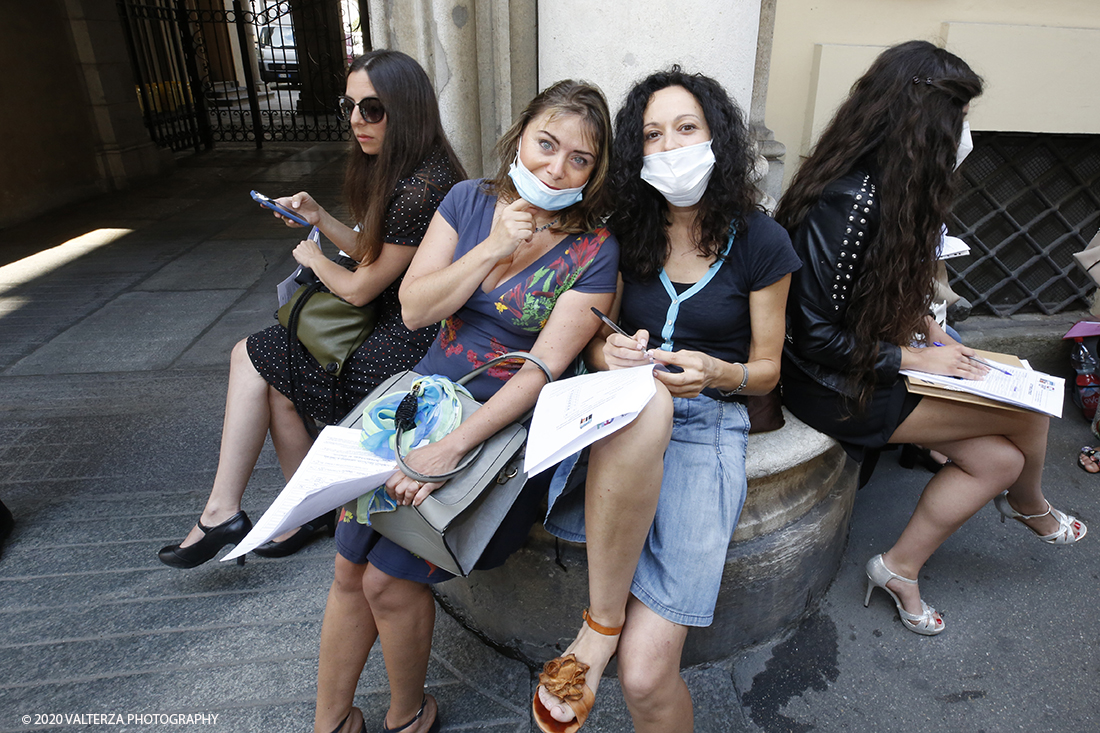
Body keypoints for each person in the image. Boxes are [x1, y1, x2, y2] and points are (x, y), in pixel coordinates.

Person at [311, 80, 620, 733]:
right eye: (546, 143)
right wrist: (492, 247)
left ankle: (407, 716)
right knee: (347, 565)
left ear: (593, 173)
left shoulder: (595, 250)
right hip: (417, 404)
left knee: (387, 581)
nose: (555, 166)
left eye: (578, 158)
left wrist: (452, 448)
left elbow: (543, 369)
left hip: (496, 434)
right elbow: (416, 307)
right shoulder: (467, 201)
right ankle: (330, 722)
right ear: (521, 134)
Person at [776, 40, 1087, 637]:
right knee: (1029, 415)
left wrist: (933, 330)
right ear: (923, 121)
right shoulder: (847, 202)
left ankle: (898, 568)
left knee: (997, 459)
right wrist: (919, 358)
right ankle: (1031, 507)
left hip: (873, 361)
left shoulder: (891, 185)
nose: (965, 133)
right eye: (959, 117)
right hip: (832, 384)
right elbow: (813, 337)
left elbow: (890, 282)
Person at [535, 67, 800, 733]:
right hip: (624, 420)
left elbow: (768, 370)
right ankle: (599, 626)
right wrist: (610, 353)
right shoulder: (626, 233)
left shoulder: (761, 241)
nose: (671, 146)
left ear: (718, 139)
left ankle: (600, 633)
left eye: (686, 128)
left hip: (708, 427)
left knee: (649, 676)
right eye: (653, 135)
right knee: (642, 400)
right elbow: (599, 338)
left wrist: (717, 372)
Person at [157, 50, 464, 568]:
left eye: (373, 109)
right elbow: (375, 251)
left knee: (252, 354)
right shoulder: (408, 168)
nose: (355, 121)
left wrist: (313, 258)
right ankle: (299, 509)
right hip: (389, 321)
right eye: (350, 106)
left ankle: (229, 512)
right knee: (270, 369)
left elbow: (360, 287)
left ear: (407, 111)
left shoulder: (424, 185)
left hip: (409, 342)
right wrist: (320, 218)